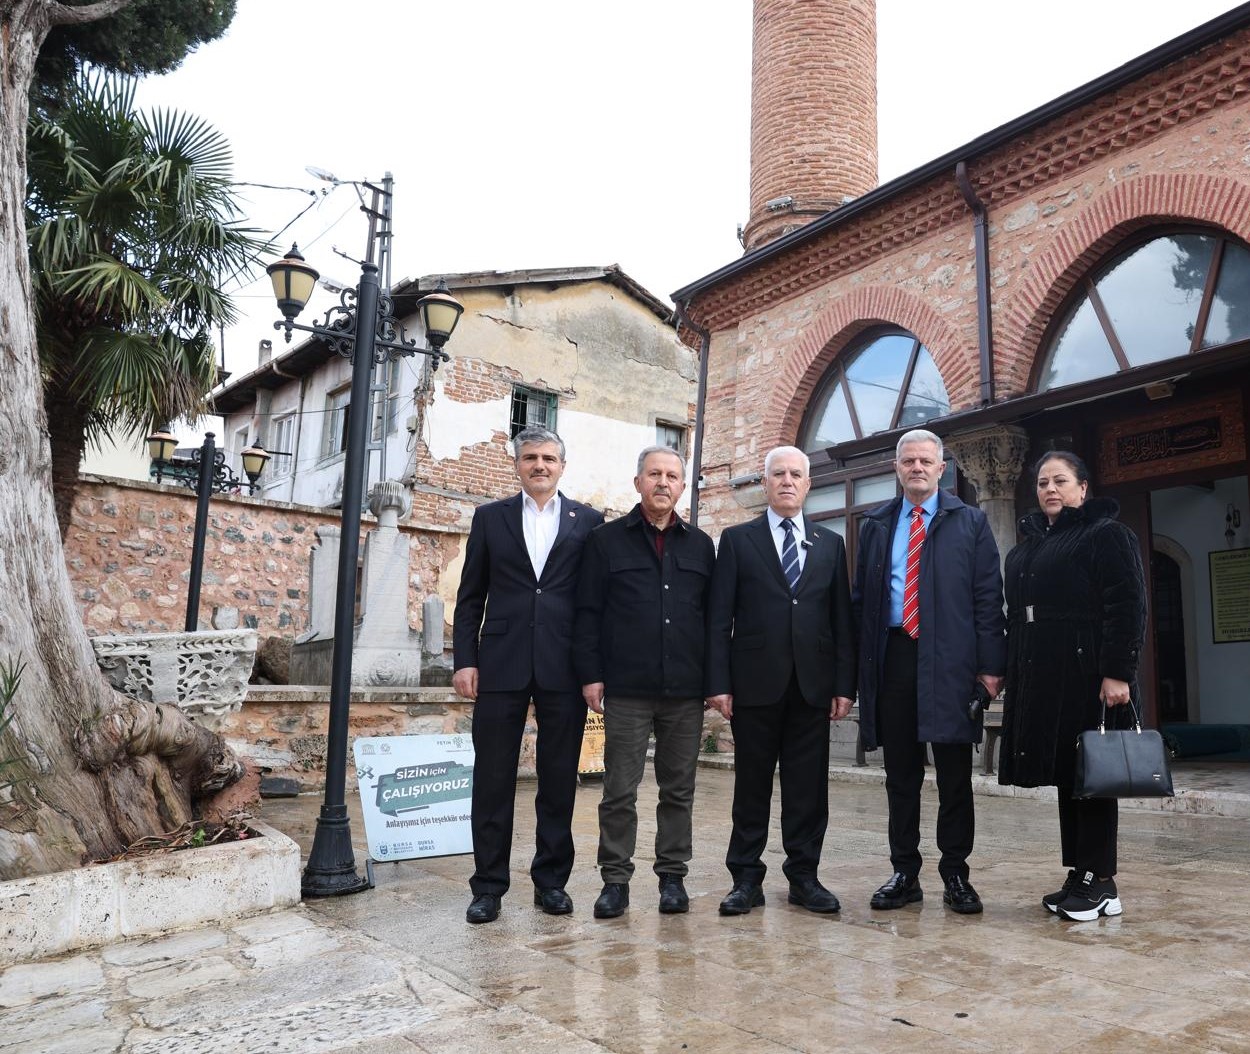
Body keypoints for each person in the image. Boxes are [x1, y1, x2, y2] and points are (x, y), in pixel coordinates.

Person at [452, 427, 604, 924]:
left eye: (549, 458)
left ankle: (551, 883)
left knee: (558, 778)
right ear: (517, 465)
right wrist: (465, 660)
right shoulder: (490, 518)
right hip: (501, 662)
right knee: (493, 778)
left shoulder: (589, 522)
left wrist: (593, 670)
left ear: (563, 465)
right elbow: (471, 595)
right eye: (531, 458)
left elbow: (594, 603)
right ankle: (489, 887)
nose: (540, 465)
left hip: (564, 666)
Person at [853, 428, 1005, 915]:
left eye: (926, 461)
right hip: (895, 657)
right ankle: (904, 872)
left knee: (955, 776)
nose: (917, 468)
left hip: (953, 663)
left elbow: (988, 599)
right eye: (908, 461)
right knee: (900, 774)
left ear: (943, 469)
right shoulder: (875, 525)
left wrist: (990, 669)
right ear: (896, 469)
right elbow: (862, 603)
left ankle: (957, 874)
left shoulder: (971, 523)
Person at [705, 445, 856, 916]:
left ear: (808, 485)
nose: (788, 481)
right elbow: (717, 620)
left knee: (808, 788)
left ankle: (804, 877)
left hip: (812, 687)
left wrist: (844, 686)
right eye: (779, 474)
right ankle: (745, 879)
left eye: (797, 474)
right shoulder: (737, 540)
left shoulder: (830, 544)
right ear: (765, 484)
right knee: (751, 785)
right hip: (753, 685)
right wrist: (719, 682)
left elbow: (841, 621)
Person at [998, 451, 1146, 921]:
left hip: (1090, 677)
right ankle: (1079, 871)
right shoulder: (1025, 549)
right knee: (1069, 775)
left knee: (1093, 776)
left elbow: (1128, 604)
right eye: (1042, 483)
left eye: (1060, 481)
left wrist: (1118, 671)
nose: (1050, 490)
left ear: (1084, 488)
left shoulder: (1106, 535)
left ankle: (1102, 881)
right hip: (1043, 678)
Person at [574, 446, 715, 919]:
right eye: (654, 474)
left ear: (681, 486)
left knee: (680, 789)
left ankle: (672, 878)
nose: (663, 482)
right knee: (619, 789)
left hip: (685, 692)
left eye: (672, 476)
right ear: (638, 482)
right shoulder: (605, 541)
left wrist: (715, 683)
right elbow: (588, 613)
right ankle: (615, 881)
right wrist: (591, 676)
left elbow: (712, 621)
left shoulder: (700, 546)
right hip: (626, 690)